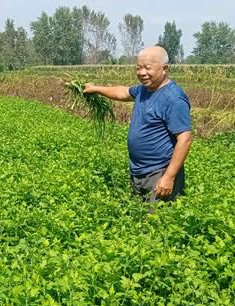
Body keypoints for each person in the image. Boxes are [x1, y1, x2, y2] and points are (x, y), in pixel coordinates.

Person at [83, 46, 193, 205]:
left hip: (159, 172)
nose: (142, 73)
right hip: (139, 171)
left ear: (165, 69)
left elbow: (185, 139)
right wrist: (95, 89)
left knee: (156, 224)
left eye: (148, 68)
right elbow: (123, 92)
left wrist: (169, 177)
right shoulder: (144, 89)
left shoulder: (173, 98)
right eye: (138, 68)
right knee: (139, 221)